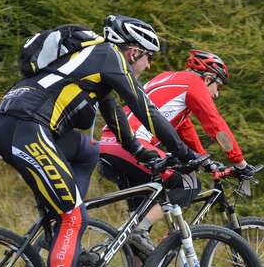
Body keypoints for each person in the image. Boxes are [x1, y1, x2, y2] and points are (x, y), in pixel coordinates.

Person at [0, 14, 196, 267]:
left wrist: (143, 153)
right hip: (26, 128)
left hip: (14, 124)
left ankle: (64, 233)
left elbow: (117, 120)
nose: (148, 65)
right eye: (148, 57)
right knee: (71, 217)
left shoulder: (93, 67)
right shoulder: (108, 55)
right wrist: (183, 152)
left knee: (87, 151)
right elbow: (145, 108)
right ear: (132, 52)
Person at [99, 49, 256, 255]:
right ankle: (140, 231)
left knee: (141, 222)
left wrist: (205, 162)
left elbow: (184, 131)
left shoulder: (167, 79)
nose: (216, 94)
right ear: (208, 78)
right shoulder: (193, 83)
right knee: (189, 183)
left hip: (108, 143)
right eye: (217, 86)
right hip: (132, 145)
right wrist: (240, 163)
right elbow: (216, 126)